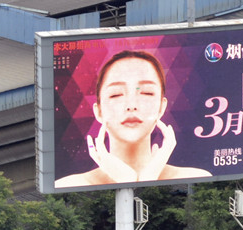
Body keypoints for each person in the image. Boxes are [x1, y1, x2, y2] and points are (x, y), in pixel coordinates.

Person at [54, 50, 212, 189]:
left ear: (162, 107)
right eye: (116, 94)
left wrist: (140, 181)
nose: (131, 105)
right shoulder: (68, 185)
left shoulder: (197, 176)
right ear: (98, 111)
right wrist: (131, 181)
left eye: (146, 93)